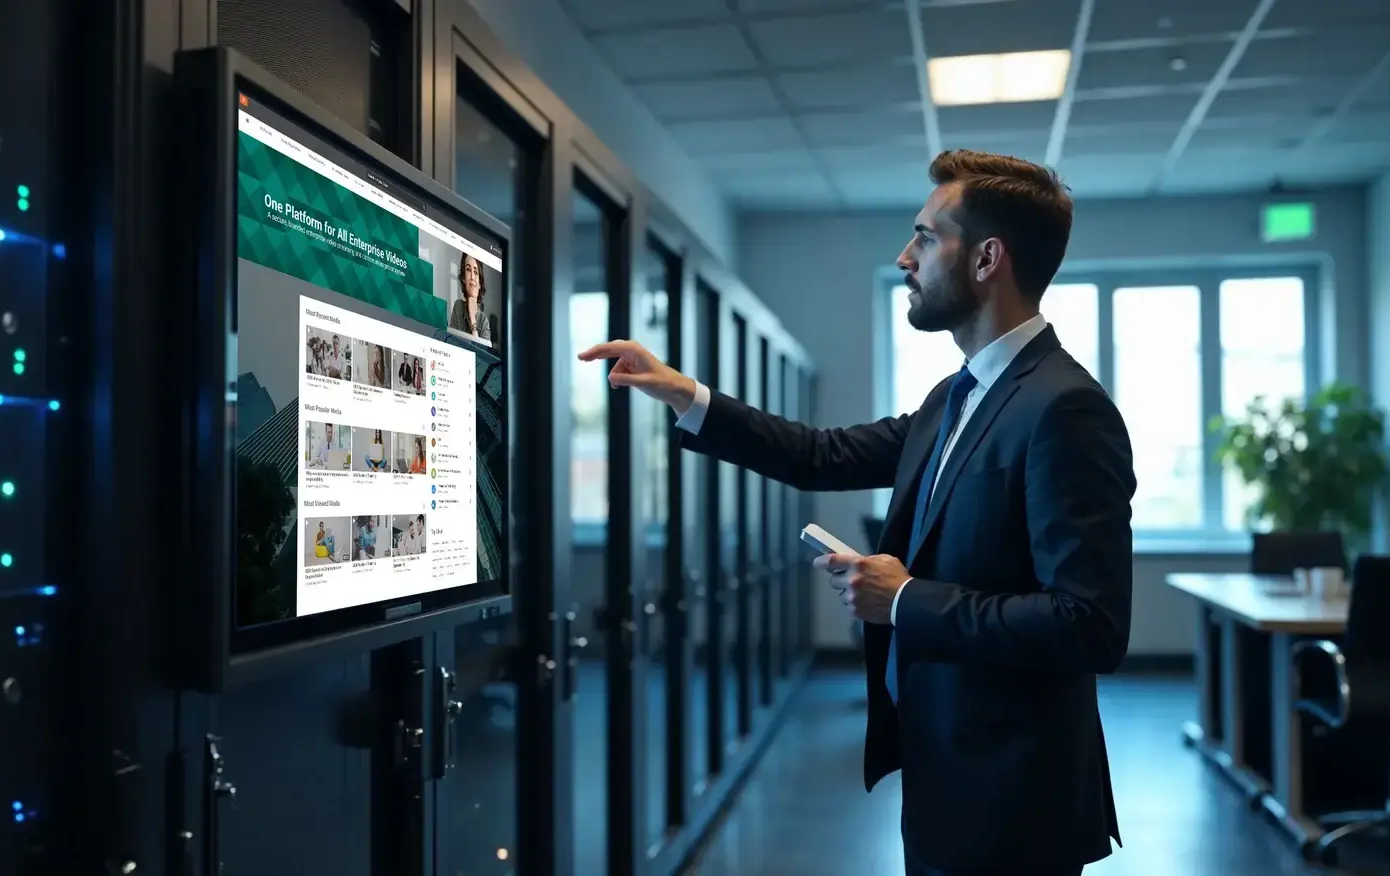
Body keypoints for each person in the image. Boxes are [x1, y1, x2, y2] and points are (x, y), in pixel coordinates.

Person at [579, 150, 1134, 876]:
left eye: (926, 237)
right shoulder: (955, 397)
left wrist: (905, 600)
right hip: (945, 776)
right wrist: (685, 393)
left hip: (1013, 800)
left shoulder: (1065, 407)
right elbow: (820, 454)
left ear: (987, 258)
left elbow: (1088, 626)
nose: (905, 257)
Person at [448, 253, 497, 344]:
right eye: (468, 270)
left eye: (475, 272)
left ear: (480, 283)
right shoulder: (458, 306)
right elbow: (451, 342)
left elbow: (480, 355)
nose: (472, 277)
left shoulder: (483, 321)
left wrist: (472, 319)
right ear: (463, 278)